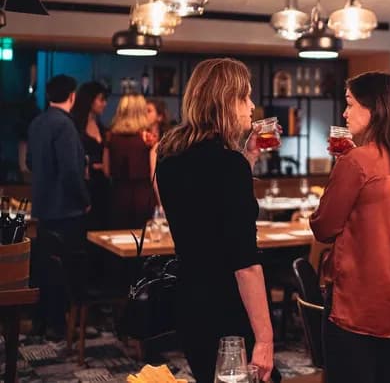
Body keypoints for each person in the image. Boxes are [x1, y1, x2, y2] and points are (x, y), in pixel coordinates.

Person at [155, 58, 275, 383]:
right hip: (228, 306)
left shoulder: (168, 156)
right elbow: (245, 263)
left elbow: (203, 211)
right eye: (245, 97)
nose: (252, 106)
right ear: (224, 100)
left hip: (190, 300)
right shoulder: (227, 166)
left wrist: (245, 159)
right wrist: (265, 339)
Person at [311, 72, 390, 383]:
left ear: (374, 108)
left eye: (349, 104)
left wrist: (340, 166)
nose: (345, 113)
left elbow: (323, 227)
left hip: (357, 303)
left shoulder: (356, 162)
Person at [26, 74, 90, 340]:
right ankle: (61, 326)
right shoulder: (65, 125)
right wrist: (84, 201)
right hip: (66, 209)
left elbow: (30, 162)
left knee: (45, 267)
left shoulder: (38, 122)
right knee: (67, 271)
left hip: (43, 207)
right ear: (72, 96)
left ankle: (42, 323)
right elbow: (70, 171)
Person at [104, 94, 155, 229]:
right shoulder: (148, 139)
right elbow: (153, 174)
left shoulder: (110, 138)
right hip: (143, 197)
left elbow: (106, 170)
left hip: (117, 195)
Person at [71, 81, 111, 230]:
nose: (105, 104)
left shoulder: (101, 126)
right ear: (90, 100)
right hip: (87, 185)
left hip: (103, 185)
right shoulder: (75, 126)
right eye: (101, 99)